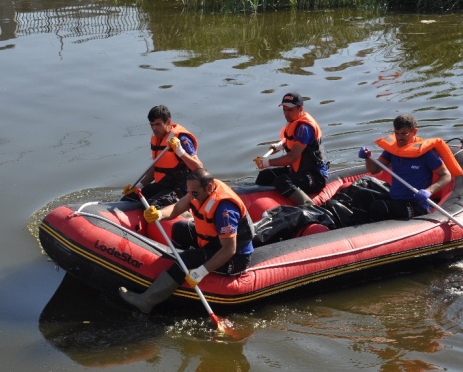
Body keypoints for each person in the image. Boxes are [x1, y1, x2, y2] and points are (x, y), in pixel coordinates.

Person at [119, 168, 255, 314]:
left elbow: (229, 249)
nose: (191, 196)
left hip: (234, 258)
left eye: (194, 193)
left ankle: (146, 302)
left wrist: (201, 272)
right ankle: (175, 273)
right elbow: (178, 207)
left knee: (189, 258)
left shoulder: (225, 211)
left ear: (209, 188)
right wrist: (159, 214)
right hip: (213, 242)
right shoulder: (199, 193)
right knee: (180, 228)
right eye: (189, 191)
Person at [357, 113, 463, 221]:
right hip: (395, 198)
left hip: (415, 205)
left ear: (414, 132)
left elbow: (446, 176)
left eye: (404, 134)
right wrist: (367, 158)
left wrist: (429, 191)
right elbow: (374, 170)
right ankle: (355, 227)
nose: (399, 138)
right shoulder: (393, 150)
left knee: (379, 207)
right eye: (397, 133)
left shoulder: (427, 153)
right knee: (362, 195)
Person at [253, 92, 329, 206]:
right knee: (265, 175)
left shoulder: (304, 129)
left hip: (314, 177)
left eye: (290, 110)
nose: (286, 114)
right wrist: (280, 145)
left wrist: (266, 162)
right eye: (284, 109)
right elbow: (289, 140)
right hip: (299, 171)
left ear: (300, 109)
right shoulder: (294, 123)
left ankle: (309, 206)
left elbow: (292, 158)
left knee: (282, 180)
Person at [122, 105, 203, 206]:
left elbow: (199, 168)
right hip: (162, 185)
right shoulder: (157, 139)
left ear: (168, 122)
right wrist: (139, 185)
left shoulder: (181, 139)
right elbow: (158, 167)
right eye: (152, 125)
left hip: (179, 190)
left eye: (158, 124)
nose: (154, 128)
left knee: (153, 205)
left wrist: (180, 151)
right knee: (128, 198)